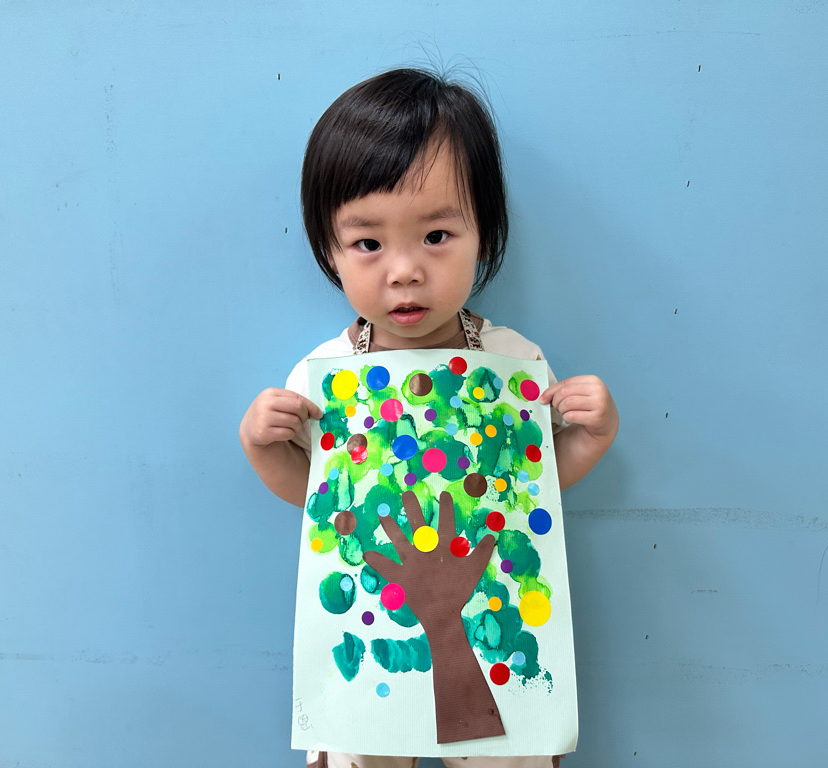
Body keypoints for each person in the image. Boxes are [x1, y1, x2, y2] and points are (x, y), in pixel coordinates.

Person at [239, 68, 618, 768]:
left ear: (485, 236)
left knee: (507, 751)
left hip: (493, 615)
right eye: (368, 244)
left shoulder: (512, 365)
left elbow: (530, 492)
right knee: (361, 751)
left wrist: (590, 439)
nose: (404, 270)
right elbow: (319, 498)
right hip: (373, 621)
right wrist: (265, 449)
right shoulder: (325, 378)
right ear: (329, 250)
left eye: (437, 234)